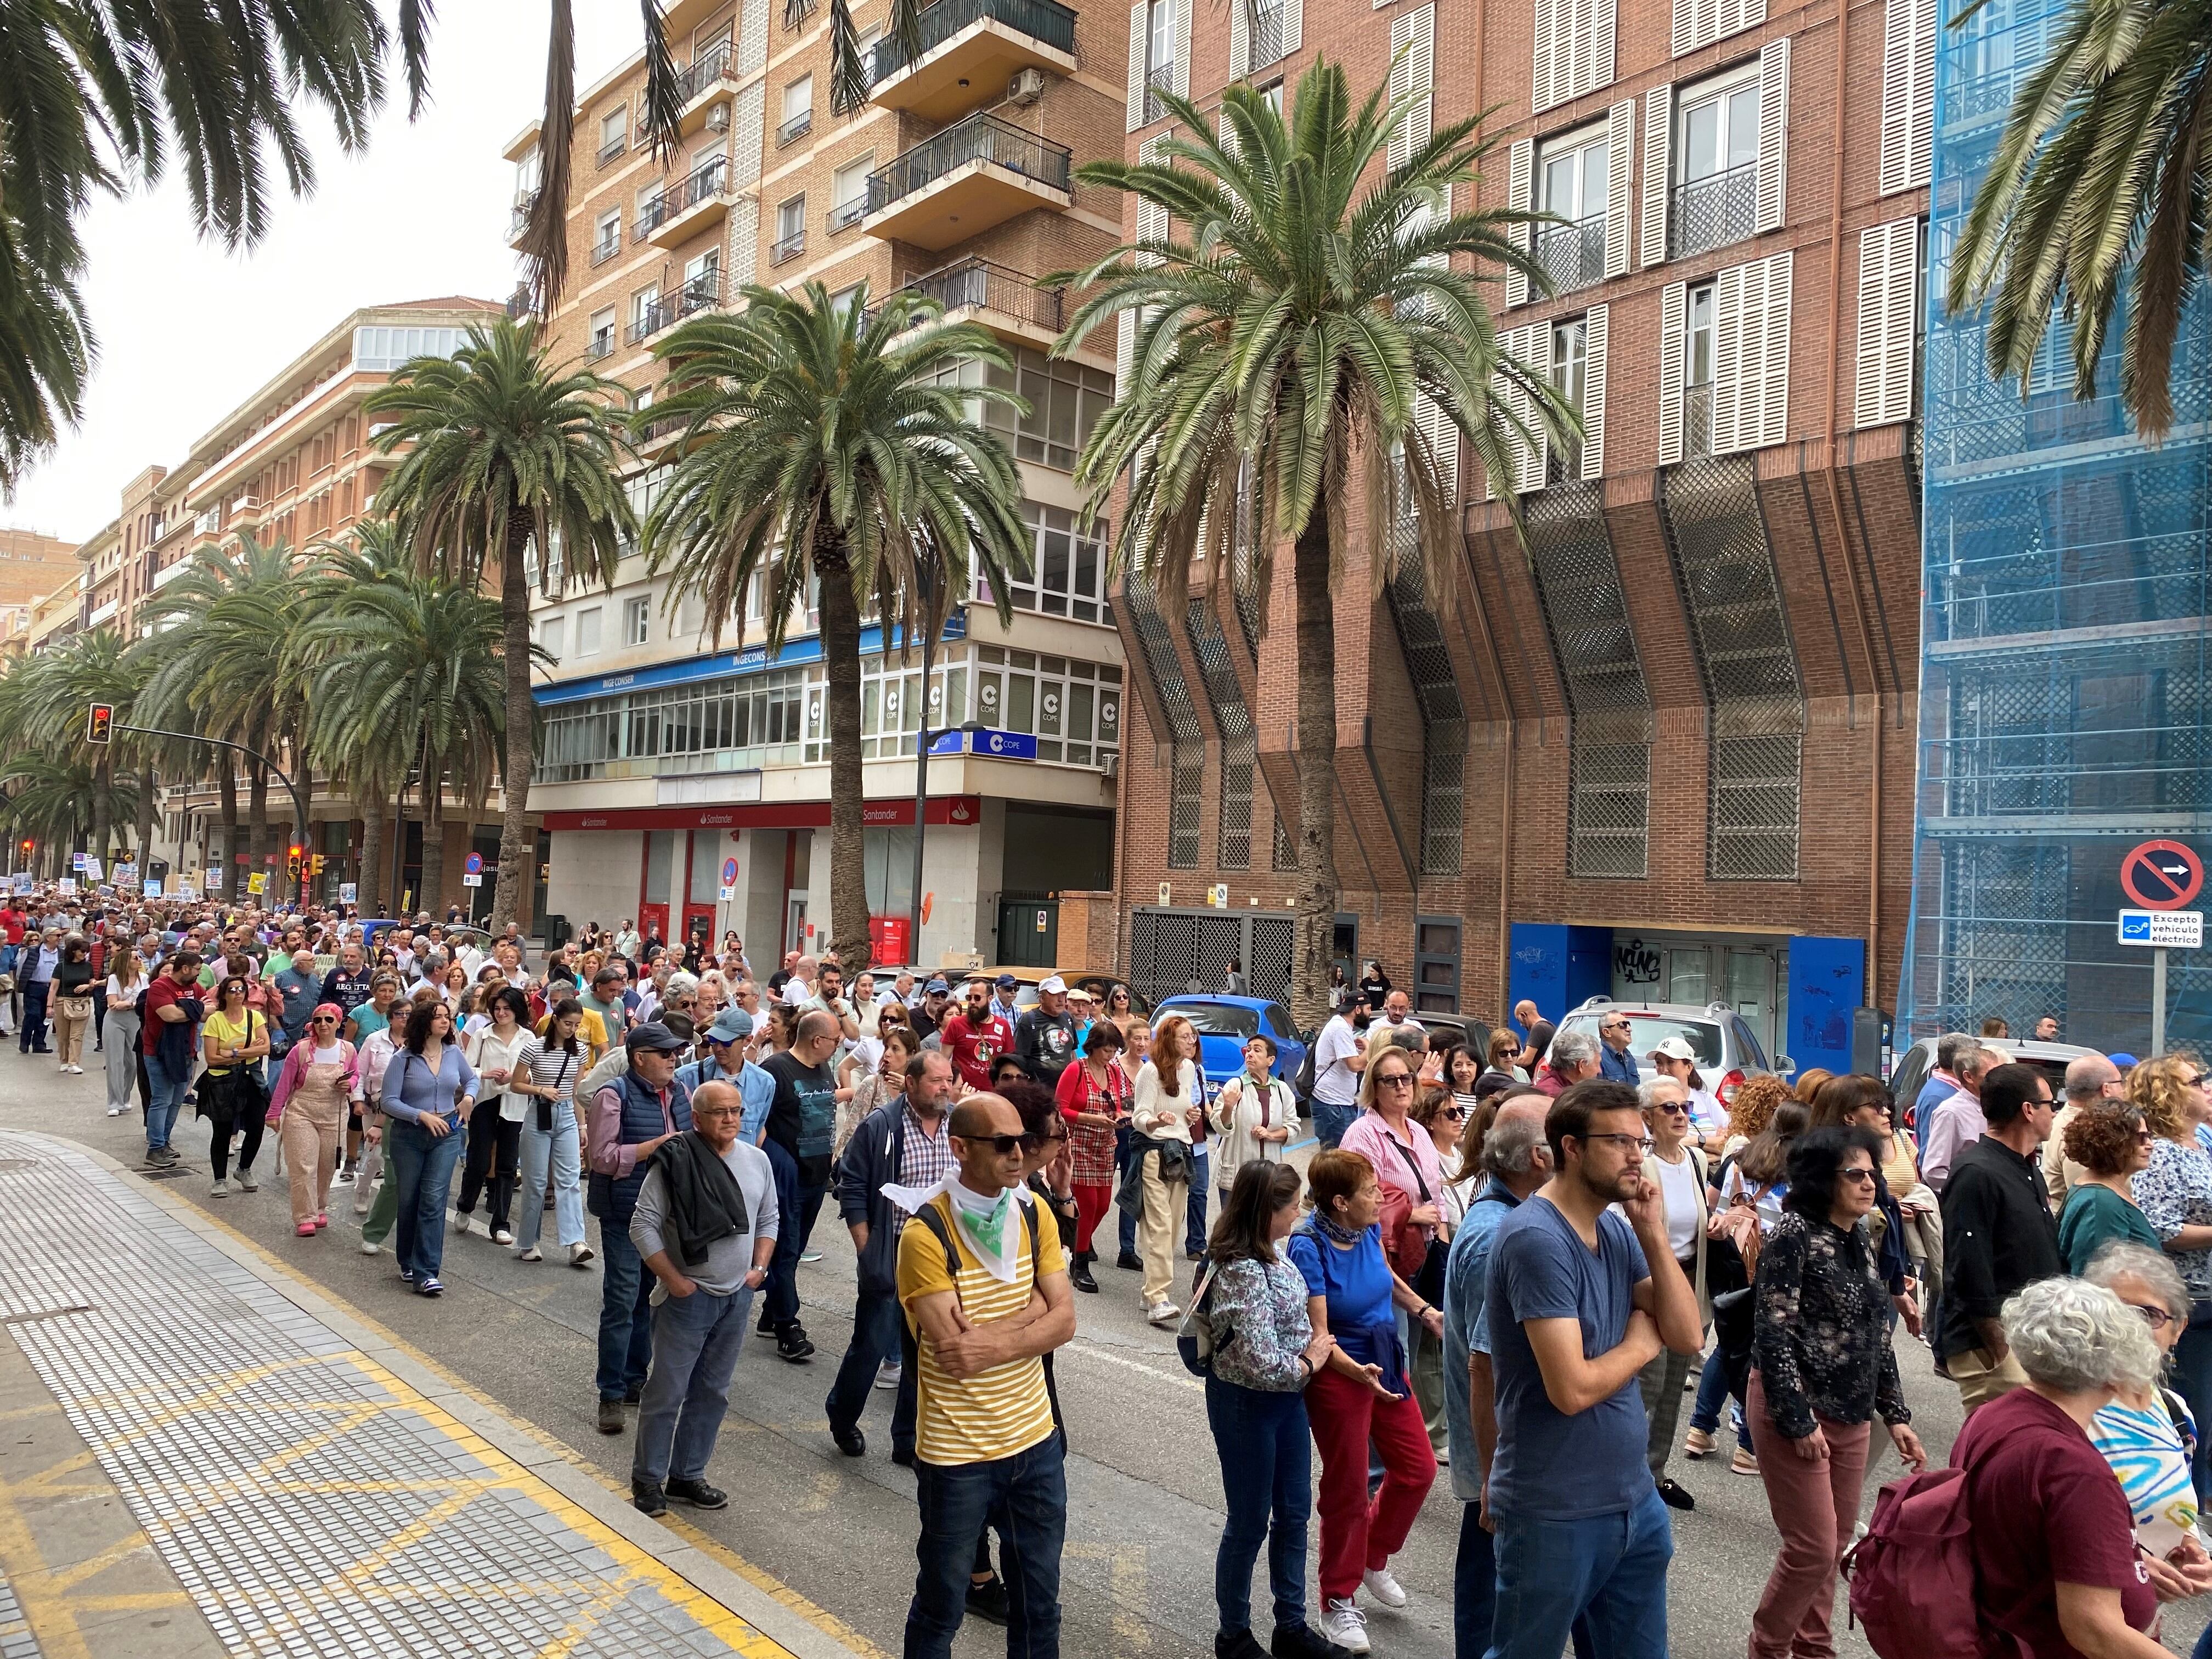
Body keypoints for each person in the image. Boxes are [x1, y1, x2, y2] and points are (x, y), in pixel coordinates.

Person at [1485, 1080, 1703, 1659]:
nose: (1639, 1154)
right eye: (1621, 1142)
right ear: (1572, 1148)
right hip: (1556, 1509)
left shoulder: (1614, 1225)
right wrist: (1639, 1343)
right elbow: (1572, 1389)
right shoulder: (1535, 1238)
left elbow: (1685, 1333)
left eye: (1640, 1139)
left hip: (1633, 1501)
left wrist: (1652, 1231)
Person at [896, 1093, 1075, 1659]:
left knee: (1039, 1605)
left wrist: (1003, 1332)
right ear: (961, 1148)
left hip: (1035, 1443)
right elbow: (956, 1353)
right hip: (958, 1457)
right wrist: (1033, 1315)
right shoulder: (926, 1235)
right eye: (1003, 1144)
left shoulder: (1033, 1212)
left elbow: (1065, 1321)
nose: (1019, 1154)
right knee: (942, 1604)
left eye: (1023, 1140)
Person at [1745, 1125, 1926, 1659]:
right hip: (1796, 1407)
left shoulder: (1857, 1235)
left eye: (1873, 1173)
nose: (1870, 1183)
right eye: (1856, 1174)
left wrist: (1895, 1414)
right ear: (1823, 1179)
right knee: (1813, 1548)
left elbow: (1874, 1331)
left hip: (1851, 1412)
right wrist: (1797, 1420)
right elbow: (1772, 1330)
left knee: (1832, 1547)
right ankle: (1769, 1648)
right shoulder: (1795, 1234)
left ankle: (1813, 1650)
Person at [1950, 1276, 2169, 1659]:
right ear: (2116, 1372)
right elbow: (2094, 1631)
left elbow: (2028, 1539)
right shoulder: (2074, 1470)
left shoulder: (1994, 1416)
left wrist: (2125, 1559)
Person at [1289, 1150, 1439, 1655]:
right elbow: (1318, 1333)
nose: (1381, 1197)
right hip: (1340, 1373)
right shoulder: (1308, 1245)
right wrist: (1357, 1373)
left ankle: (1372, 1556)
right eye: (1370, 1191)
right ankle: (1337, 1599)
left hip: (1384, 1357)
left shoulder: (1366, 1228)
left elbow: (1382, 1275)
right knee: (1348, 1488)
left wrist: (1422, 1310)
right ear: (1339, 1202)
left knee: (1418, 1468)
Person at [1200, 1160, 1346, 1659]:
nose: (1300, 1213)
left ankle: (1291, 1625)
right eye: (1293, 1206)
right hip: (1248, 1404)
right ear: (1268, 1212)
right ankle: (1234, 1635)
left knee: (1293, 1513)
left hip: (1286, 1403)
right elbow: (1262, 1361)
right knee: (1248, 1521)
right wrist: (1312, 1359)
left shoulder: (1276, 1252)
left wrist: (1308, 1356)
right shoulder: (1240, 1269)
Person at [628, 1079, 778, 1517]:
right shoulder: (675, 1161)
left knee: (712, 1391)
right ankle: (648, 1479)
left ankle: (688, 1475)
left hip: (737, 1297)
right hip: (688, 1298)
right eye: (719, 1112)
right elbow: (643, 1225)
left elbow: (769, 1217)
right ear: (697, 1119)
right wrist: (674, 1280)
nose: (731, 1119)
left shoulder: (758, 1160)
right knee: (667, 1392)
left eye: (736, 1111)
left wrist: (759, 1270)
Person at [1448, 1095, 1552, 1659]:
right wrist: (1493, 1476)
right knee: (1495, 1602)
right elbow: (1485, 1366)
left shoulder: (1516, 1218)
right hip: (1507, 1459)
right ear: (1539, 1156)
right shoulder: (1499, 1235)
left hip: (1510, 1458)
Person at [826, 1048, 956, 1464]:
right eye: (937, 1081)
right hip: (891, 1251)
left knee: (922, 1353)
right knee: (871, 1345)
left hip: (936, 1258)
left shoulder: (958, 1125)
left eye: (948, 1080)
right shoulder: (882, 1125)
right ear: (912, 1083)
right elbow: (852, 1186)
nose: (945, 1088)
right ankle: (842, 1418)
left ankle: (906, 1441)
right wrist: (866, 1248)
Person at [2080, 1241, 2212, 1597]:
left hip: (2142, 1621)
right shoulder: (2066, 1409)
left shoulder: (2174, 1412)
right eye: (2114, 1311)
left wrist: (2191, 1548)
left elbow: (2173, 1506)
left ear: (2179, 1328)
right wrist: (2130, 1562)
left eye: (2149, 1315)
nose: (2128, 1327)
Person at [1341, 1046, 1449, 1471]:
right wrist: (1409, 1214)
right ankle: (1374, 1468)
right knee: (1391, 1357)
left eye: (1407, 1077)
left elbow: (1435, 1196)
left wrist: (1437, 1241)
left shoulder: (1418, 1133)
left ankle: (1402, 1451)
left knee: (1415, 1355)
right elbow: (1358, 1205)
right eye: (1391, 1080)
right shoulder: (1363, 1136)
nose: (1402, 1086)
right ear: (1374, 1087)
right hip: (1381, 1259)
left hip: (1421, 1255)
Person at [586, 1021, 695, 1431]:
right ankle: (610, 1394)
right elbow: (601, 1157)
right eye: (665, 1053)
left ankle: (635, 1378)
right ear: (640, 1058)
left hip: (668, 1213)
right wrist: (651, 1149)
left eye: (676, 1053)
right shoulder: (613, 1095)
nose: (674, 1059)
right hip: (625, 1212)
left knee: (647, 1298)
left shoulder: (681, 1092)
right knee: (621, 1298)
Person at [1938, 1061, 2062, 1412]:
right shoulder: (1977, 1173)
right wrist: (2002, 1353)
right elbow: (1969, 1270)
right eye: (2050, 1104)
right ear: (2028, 1110)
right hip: (1993, 1345)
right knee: (1994, 1453)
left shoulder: (2026, 1168)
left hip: (2031, 1338)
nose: (2054, 1113)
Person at [2126, 1051, 2212, 1500]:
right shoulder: (2160, 1152)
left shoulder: (2202, 1142)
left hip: (2208, 1296)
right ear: (2167, 1092)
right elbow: (2159, 1227)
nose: (2205, 1085)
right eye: (2195, 1080)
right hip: (2185, 1302)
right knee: (2190, 1414)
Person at [1634, 1076, 1708, 1511]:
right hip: (1650, 1287)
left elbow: (1699, 1218)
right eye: (1669, 1109)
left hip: (1688, 1286)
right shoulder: (1642, 1164)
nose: (1681, 1115)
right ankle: (1626, 1473)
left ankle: (1656, 1473)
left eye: (1685, 1108)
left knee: (1675, 1384)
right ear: (1647, 1118)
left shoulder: (1695, 1159)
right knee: (1649, 1382)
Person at [380, 997, 479, 1297]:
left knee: (434, 1201)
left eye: (447, 1016)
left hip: (447, 1133)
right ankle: (407, 1261)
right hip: (409, 1136)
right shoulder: (404, 1058)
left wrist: (468, 1099)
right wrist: (419, 1115)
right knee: (410, 1199)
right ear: (424, 1022)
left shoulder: (453, 1053)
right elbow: (388, 1102)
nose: (445, 1021)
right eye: (438, 1017)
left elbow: (471, 1080)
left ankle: (427, 1272)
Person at [758, 1008, 842, 1362]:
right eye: (835, 1040)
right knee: (787, 1250)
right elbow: (755, 1124)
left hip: (816, 1177)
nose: (838, 1046)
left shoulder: (823, 1069)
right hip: (786, 1180)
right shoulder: (775, 1071)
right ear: (817, 1040)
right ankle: (788, 1328)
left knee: (794, 1249)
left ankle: (771, 1314)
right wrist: (776, 1163)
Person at [267, 1003, 364, 1237]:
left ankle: (319, 1208)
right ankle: (304, 1216)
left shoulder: (348, 1050)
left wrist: (349, 1084)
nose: (323, 1024)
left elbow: (357, 1075)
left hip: (335, 1115)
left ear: (339, 1023)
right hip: (302, 1113)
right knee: (303, 1165)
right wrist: (274, 1113)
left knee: (327, 1165)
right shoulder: (300, 1051)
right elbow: (285, 1083)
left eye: (329, 1020)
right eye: (318, 1020)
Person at [1132, 1013, 1204, 1325]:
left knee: (1172, 1228)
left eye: (1193, 1036)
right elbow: (1139, 1117)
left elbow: (1181, 1111)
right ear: (1169, 1040)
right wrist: (1155, 1121)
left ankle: (1150, 1289)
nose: (1193, 1041)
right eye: (1186, 1037)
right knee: (1159, 1226)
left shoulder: (1188, 1069)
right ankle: (1159, 1298)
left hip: (1182, 1155)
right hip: (1155, 1154)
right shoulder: (1150, 1072)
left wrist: (1189, 1115)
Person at [512, 996, 593, 1266]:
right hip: (539, 1113)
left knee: (570, 1180)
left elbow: (579, 1091)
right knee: (535, 1183)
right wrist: (540, 1089)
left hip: (568, 1115)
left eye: (577, 1025)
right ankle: (528, 1241)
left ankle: (576, 1242)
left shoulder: (580, 1051)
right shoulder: (533, 1048)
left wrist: (583, 1126)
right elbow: (516, 1084)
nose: (572, 1029)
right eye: (568, 1023)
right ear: (555, 1020)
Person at [1056, 1021, 1130, 1294]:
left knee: (1103, 1206)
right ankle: (1080, 1264)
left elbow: (1117, 1105)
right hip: (1079, 1143)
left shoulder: (1113, 1072)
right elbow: (1061, 1109)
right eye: (1106, 1050)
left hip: (1105, 1144)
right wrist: (1092, 1119)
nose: (1110, 1056)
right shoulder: (1076, 1069)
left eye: (1113, 1051)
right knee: (1088, 1204)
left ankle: (1073, 1245)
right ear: (1094, 1047)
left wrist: (1120, 1117)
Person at [2057, 1104, 2161, 1273]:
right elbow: (2097, 1279)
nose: (2150, 1145)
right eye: (2141, 1137)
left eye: (2149, 1136)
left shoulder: (2103, 1191)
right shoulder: (2099, 1201)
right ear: (2115, 1142)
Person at [198, 974, 269, 1197]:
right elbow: (212, 1058)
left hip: (251, 1078)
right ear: (224, 995)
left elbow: (265, 1048)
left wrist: (234, 1053)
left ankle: (244, 1169)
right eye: (232, 990)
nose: (238, 994)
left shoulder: (254, 1016)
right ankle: (220, 1179)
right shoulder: (215, 1021)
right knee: (222, 1130)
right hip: (223, 1081)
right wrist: (249, 1052)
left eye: (241, 990)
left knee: (257, 1126)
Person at [1211, 1034, 1296, 1209]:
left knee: (1263, 1228)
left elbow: (1293, 1126)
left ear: (1270, 1060)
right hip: (1237, 1174)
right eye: (1248, 1050)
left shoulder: (1282, 1090)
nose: (1250, 1054)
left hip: (1268, 1177)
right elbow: (1221, 1128)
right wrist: (1228, 1106)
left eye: (1257, 1050)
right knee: (1233, 1230)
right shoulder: (1235, 1086)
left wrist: (1271, 1135)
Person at [140, 951, 204, 1166]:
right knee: (162, 1099)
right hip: (159, 1052)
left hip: (186, 1052)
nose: (199, 975)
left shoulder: (195, 988)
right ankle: (155, 1148)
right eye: (197, 970)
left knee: (177, 1101)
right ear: (185, 969)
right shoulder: (160, 987)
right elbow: (169, 1015)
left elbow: (210, 1010)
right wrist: (196, 1010)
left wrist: (189, 1009)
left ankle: (164, 1141)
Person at [2043, 1052, 2126, 1210]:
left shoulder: (2070, 1119)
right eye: (2120, 1082)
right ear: (2106, 1089)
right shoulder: (2080, 1133)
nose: (2123, 1090)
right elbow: (2090, 1200)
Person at [1919, 1044, 1997, 1192]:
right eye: (1991, 1074)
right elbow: (1934, 1171)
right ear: (1969, 1077)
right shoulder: (1951, 1113)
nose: (1998, 1080)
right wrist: (1971, 1190)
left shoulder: (1992, 1106)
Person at [1311, 996, 1368, 1151]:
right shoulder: (1340, 1029)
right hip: (1333, 1104)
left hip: (1339, 1102)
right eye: (1368, 1009)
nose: (1369, 1013)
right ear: (1358, 1010)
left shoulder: (1340, 1026)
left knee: (1340, 1155)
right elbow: (1355, 1065)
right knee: (1337, 1157)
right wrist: (1369, 1049)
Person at [939, 979, 1015, 1095]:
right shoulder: (956, 1024)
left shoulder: (1002, 1025)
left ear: (990, 999)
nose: (972, 1002)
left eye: (978, 998)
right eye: (969, 998)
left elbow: (1009, 1063)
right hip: (963, 1093)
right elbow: (943, 1060)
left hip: (993, 1094)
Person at [103, 944, 146, 1118]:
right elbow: (113, 1003)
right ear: (126, 961)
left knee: (133, 1062)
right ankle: (114, 1101)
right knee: (115, 1061)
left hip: (135, 1018)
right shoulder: (114, 978)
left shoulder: (144, 978)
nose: (139, 960)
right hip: (115, 1020)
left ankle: (125, 1097)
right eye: (136, 958)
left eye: (139, 957)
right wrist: (130, 1003)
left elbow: (145, 1001)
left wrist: (129, 1004)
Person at [1016, 976, 1079, 1092]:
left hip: (1065, 1090)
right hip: (1039, 1092)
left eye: (1063, 994)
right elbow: (1019, 1059)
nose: (1061, 999)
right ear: (1041, 999)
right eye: (1055, 995)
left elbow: (1072, 1053)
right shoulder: (1029, 1020)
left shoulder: (1068, 1018)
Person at [49, 933, 94, 1074]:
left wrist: (88, 986)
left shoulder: (88, 966)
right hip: (63, 1001)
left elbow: (92, 982)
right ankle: (64, 1060)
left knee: (77, 1035)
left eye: (87, 952)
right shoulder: (61, 966)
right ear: (74, 951)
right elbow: (54, 987)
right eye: (83, 951)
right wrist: (49, 1006)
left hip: (81, 1002)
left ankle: (73, 1062)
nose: (85, 954)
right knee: (63, 1035)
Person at [16, 927, 57, 1054]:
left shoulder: (61, 953)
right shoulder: (32, 951)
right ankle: (25, 1041)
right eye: (58, 935)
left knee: (45, 1018)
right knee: (32, 1014)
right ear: (48, 937)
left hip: (51, 988)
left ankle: (39, 1043)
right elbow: (21, 970)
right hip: (34, 987)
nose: (60, 938)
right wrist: (22, 984)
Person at [1535, 1029, 1600, 1099]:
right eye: (1597, 1064)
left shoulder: (1560, 1088)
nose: (1600, 1071)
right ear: (1581, 1065)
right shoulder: (1555, 1097)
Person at [1593, 1010, 1638, 1086]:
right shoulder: (1598, 1059)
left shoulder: (1629, 1057)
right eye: (1622, 1025)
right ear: (1607, 1032)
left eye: (1628, 1024)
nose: (1629, 1029)